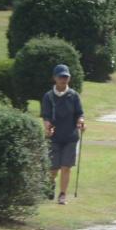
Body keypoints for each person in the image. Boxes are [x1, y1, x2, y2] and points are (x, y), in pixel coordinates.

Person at [41, 64, 85, 206]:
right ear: (54, 78)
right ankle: (50, 184)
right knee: (53, 169)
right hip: (54, 137)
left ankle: (62, 194)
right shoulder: (48, 96)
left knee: (66, 166)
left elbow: (80, 113)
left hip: (70, 137)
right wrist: (47, 126)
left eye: (66, 77)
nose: (63, 79)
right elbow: (46, 116)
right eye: (61, 77)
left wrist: (81, 122)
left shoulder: (73, 95)